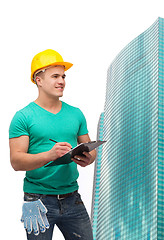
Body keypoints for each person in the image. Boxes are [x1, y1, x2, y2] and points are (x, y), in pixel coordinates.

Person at [9, 49, 96, 240]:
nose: (62, 81)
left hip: (72, 198)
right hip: (37, 200)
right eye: (55, 76)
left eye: (63, 76)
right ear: (38, 80)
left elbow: (89, 146)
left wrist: (88, 158)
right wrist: (50, 155)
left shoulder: (76, 114)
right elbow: (16, 161)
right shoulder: (23, 117)